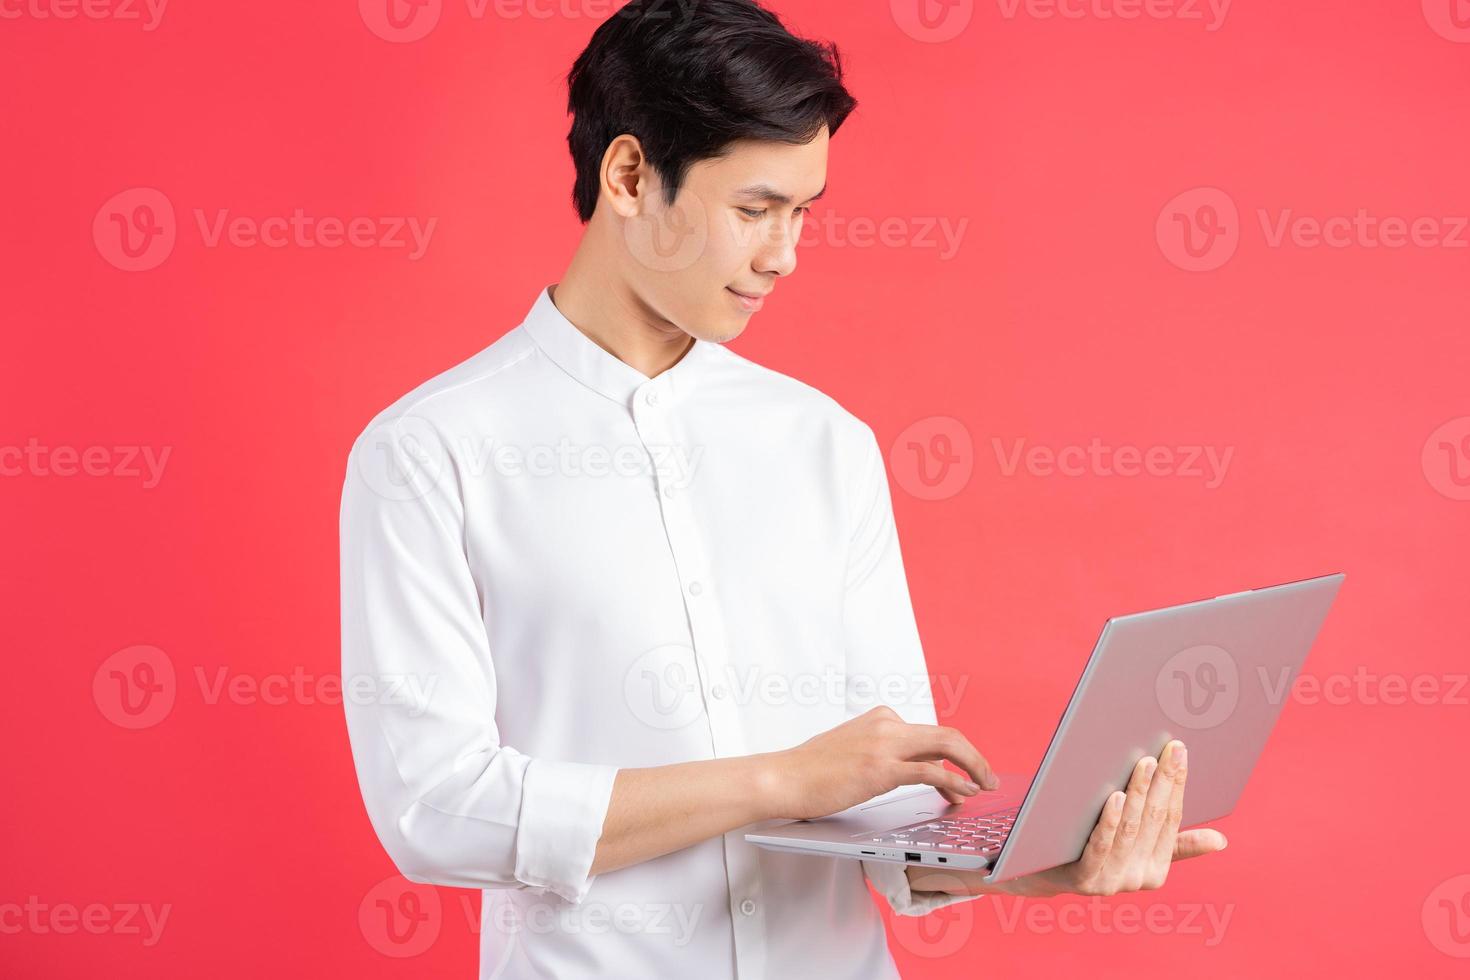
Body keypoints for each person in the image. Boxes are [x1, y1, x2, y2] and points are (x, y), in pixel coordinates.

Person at [339, 1, 1227, 976]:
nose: (784, 254)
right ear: (630, 176)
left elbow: (887, 804)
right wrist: (779, 778)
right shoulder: (432, 451)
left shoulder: (824, 442)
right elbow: (436, 808)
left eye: (804, 212)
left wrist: (1030, 862)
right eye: (754, 209)